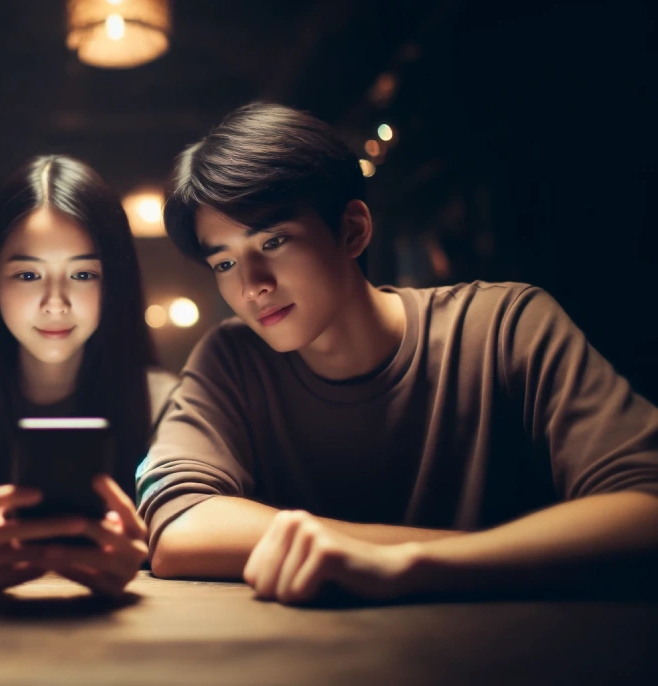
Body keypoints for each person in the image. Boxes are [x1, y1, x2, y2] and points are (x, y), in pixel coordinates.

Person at [138, 101, 658, 603]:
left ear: (352, 230)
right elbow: (179, 526)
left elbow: (643, 506)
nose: (252, 287)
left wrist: (409, 566)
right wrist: (473, 556)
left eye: (273, 242)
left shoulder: (504, 326)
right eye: (225, 264)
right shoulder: (232, 360)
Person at [0, 155, 176, 595]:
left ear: (114, 282)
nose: (55, 302)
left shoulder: (165, 402)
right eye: (28, 274)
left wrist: (143, 547)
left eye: (83, 274)